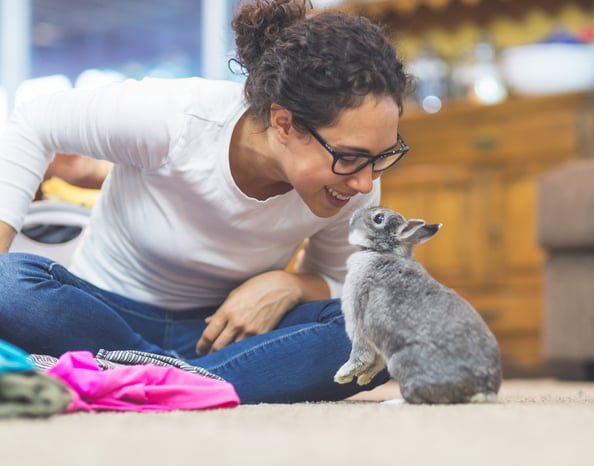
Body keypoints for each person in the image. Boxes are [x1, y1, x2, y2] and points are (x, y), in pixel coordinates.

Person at [0, 0, 411, 404]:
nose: (364, 181)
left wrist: (289, 283)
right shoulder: (177, 118)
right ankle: (192, 385)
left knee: (387, 319)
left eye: (382, 157)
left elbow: (340, 282)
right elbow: (34, 123)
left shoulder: (354, 183)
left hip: (228, 334)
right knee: (7, 281)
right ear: (285, 123)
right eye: (350, 156)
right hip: (100, 316)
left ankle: (140, 379)